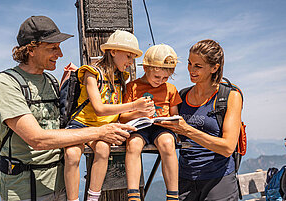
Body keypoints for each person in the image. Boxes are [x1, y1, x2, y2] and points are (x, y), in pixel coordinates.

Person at [0, 16, 135, 201]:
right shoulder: (4, 85)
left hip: (61, 188)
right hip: (26, 191)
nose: (60, 54)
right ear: (31, 49)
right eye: (53, 48)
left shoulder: (52, 82)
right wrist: (100, 132)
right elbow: (37, 139)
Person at [63, 30, 155, 201]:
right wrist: (135, 105)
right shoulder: (92, 73)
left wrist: (141, 112)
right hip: (81, 123)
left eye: (132, 58)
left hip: (104, 127)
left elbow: (118, 109)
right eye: (128, 56)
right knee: (72, 154)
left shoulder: (121, 77)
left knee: (103, 149)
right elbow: (99, 108)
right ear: (113, 51)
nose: (130, 62)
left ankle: (93, 198)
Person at [157, 39, 243, 201]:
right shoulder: (181, 95)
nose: (191, 70)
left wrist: (186, 129)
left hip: (218, 181)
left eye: (198, 66)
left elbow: (227, 148)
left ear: (214, 68)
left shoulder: (230, 96)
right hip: (184, 180)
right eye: (189, 64)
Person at [119, 44, 182, 201]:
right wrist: (139, 112)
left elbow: (175, 115)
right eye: (157, 77)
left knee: (168, 143)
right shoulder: (132, 87)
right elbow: (122, 117)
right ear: (146, 68)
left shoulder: (170, 89)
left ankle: (173, 195)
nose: (160, 81)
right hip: (139, 127)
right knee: (133, 145)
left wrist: (176, 126)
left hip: (162, 127)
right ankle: (133, 195)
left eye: (165, 78)